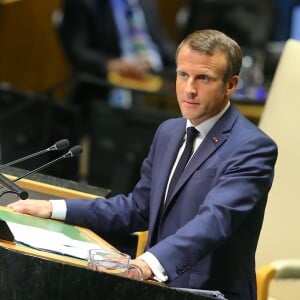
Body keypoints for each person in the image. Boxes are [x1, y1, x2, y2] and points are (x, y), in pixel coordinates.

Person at [8, 29, 278, 300]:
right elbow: (139, 207)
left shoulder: (251, 148)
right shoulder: (169, 132)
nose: (189, 89)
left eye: (203, 78)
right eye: (183, 74)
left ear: (230, 85)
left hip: (208, 292)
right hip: (154, 289)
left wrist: (148, 264)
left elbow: (214, 221)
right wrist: (54, 208)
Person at [58, 0, 176, 128]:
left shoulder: (147, 2)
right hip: (110, 82)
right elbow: (78, 51)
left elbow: (162, 43)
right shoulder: (84, 3)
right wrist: (111, 64)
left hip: (156, 76)